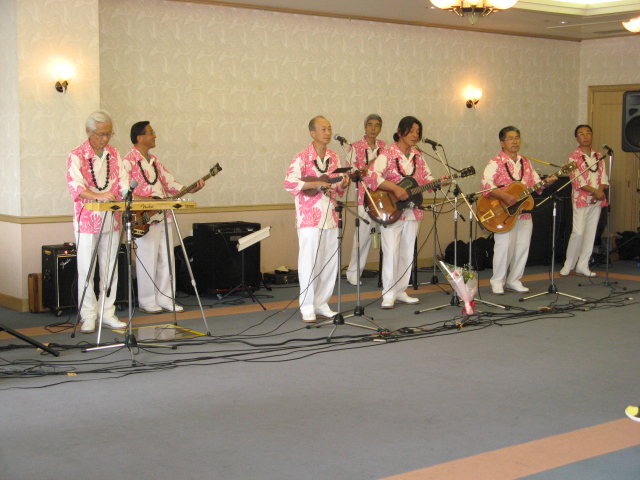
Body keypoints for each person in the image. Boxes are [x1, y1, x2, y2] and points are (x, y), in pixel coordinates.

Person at [122, 121, 204, 314]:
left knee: (167, 259)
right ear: (140, 137)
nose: (155, 136)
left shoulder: (154, 161)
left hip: (164, 214)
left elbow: (170, 184)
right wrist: (148, 202)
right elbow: (125, 191)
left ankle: (166, 298)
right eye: (151, 133)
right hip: (143, 218)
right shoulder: (127, 161)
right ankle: (147, 301)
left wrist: (190, 188)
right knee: (147, 258)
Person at [365, 116, 444, 309]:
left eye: (418, 131)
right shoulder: (387, 153)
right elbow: (372, 176)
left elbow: (426, 179)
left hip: (412, 211)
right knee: (391, 251)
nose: (415, 135)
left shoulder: (418, 155)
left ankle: (401, 290)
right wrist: (395, 188)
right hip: (390, 209)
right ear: (400, 131)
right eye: (412, 130)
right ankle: (388, 293)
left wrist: (438, 182)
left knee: (407, 252)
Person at [67, 110, 128, 333]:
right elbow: (75, 186)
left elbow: (122, 181)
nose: (105, 138)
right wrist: (98, 195)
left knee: (110, 268)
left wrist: (127, 193)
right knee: (87, 269)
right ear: (88, 132)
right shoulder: (76, 155)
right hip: (86, 220)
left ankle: (107, 312)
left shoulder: (114, 153)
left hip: (111, 218)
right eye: (101, 134)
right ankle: (88, 315)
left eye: (109, 133)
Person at [284, 116, 350, 323]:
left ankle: (322, 303)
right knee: (309, 262)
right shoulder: (302, 157)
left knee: (329, 262)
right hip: (309, 217)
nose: (327, 132)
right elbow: (289, 183)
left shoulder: (334, 157)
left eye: (329, 128)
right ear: (312, 133)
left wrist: (343, 184)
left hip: (330, 215)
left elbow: (336, 187)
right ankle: (307, 306)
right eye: (323, 129)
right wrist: (314, 185)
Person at [481, 126, 557, 295]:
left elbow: (536, 185)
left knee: (522, 246)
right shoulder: (495, 162)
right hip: (503, 212)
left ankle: (514, 280)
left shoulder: (526, 162)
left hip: (523, 212)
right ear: (502, 143)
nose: (515, 141)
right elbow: (486, 185)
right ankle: (497, 281)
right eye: (510, 138)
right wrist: (505, 196)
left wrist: (546, 183)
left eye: (517, 138)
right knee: (504, 247)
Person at [560, 125, 608, 278]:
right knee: (578, 232)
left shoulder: (598, 155)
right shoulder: (573, 156)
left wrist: (599, 192)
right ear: (577, 138)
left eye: (588, 133)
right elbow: (576, 180)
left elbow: (603, 177)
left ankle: (583, 265)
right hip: (581, 198)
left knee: (590, 232)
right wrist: (594, 191)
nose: (585, 136)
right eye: (581, 134)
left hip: (596, 199)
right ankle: (569, 264)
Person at [344, 114, 386, 286]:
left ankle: (388, 274)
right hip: (364, 197)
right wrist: (369, 167)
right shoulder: (354, 147)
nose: (373, 128)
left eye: (377, 125)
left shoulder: (384, 147)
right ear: (365, 127)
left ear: (380, 128)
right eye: (370, 125)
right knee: (362, 237)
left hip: (383, 197)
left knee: (386, 236)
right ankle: (353, 273)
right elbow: (351, 172)